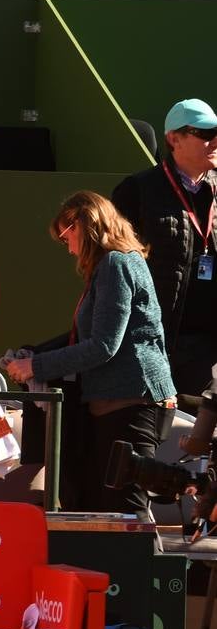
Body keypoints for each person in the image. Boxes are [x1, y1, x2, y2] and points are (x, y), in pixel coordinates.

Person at [5, 192, 175, 514]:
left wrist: (35, 366)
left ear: (84, 224)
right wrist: (35, 355)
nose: (68, 248)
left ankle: (131, 565)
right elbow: (88, 337)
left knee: (125, 511)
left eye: (66, 236)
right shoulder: (119, 263)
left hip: (130, 402)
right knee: (109, 508)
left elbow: (103, 345)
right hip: (122, 401)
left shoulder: (115, 263)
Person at [112, 98, 217, 409]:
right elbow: (113, 268)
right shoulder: (138, 190)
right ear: (174, 139)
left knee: (197, 440)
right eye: (205, 134)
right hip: (151, 342)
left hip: (207, 345)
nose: (215, 142)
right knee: (149, 439)